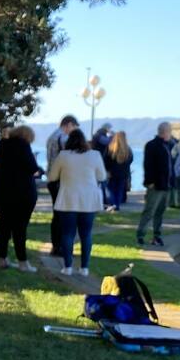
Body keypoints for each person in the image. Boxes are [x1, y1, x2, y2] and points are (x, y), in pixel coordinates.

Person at [47, 128, 107, 276]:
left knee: (67, 234)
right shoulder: (95, 155)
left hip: (68, 199)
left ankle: (67, 267)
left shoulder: (63, 156)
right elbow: (102, 176)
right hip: (88, 200)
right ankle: (84, 268)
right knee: (86, 234)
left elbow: (52, 177)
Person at [0, 126, 44, 271]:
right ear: (27, 136)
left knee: (4, 226)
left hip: (1, 191)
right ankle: (23, 262)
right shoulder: (23, 146)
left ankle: (2, 259)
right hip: (22, 193)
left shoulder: (1, 144)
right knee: (20, 228)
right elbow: (32, 168)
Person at [45, 115, 80, 256]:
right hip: (62, 180)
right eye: (74, 128)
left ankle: (55, 245)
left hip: (52, 179)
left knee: (57, 215)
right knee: (64, 215)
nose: (74, 131)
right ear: (68, 124)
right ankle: (61, 247)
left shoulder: (52, 136)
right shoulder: (63, 138)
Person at [137, 122, 173, 247]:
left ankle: (157, 236)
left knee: (160, 212)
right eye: (170, 131)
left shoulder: (169, 145)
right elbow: (148, 165)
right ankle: (141, 235)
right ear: (165, 131)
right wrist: (149, 182)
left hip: (166, 185)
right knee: (150, 211)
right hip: (156, 184)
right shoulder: (152, 145)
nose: (171, 134)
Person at [105, 131, 133, 212]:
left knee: (110, 189)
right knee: (119, 190)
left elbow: (106, 160)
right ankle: (117, 205)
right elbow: (131, 160)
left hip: (112, 173)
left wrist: (108, 169)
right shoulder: (128, 149)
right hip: (123, 173)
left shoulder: (110, 148)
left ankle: (113, 204)